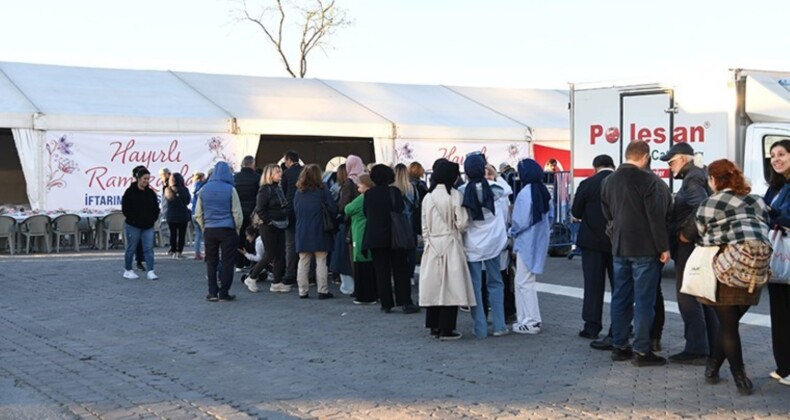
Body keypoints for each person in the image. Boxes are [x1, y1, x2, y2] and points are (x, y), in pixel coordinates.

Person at [696, 159, 772, 395]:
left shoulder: (710, 202)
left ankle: (740, 377)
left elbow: (701, 232)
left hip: (726, 268)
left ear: (714, 180)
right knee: (730, 322)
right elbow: (765, 223)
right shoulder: (756, 199)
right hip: (754, 270)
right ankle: (712, 367)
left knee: (728, 326)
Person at [601, 141, 672, 366]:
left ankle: (619, 345)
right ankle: (642, 351)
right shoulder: (649, 180)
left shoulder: (608, 181)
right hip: (645, 248)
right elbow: (656, 217)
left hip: (620, 246)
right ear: (645, 157)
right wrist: (663, 247)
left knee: (620, 297)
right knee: (644, 300)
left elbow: (608, 213)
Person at [659, 143, 718, 365]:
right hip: (696, 245)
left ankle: (696, 348)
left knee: (688, 295)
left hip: (689, 246)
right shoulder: (697, 175)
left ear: (683, 159)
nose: (669, 166)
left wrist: (686, 234)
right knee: (701, 294)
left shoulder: (692, 179)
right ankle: (711, 345)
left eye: (671, 161)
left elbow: (703, 208)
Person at [419, 159, 476, 340]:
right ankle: (447, 327)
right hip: (450, 243)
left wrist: (430, 241)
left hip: (432, 246)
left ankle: (433, 325)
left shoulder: (427, 197)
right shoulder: (454, 195)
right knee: (451, 287)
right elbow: (462, 223)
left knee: (434, 286)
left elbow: (424, 226)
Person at [458, 153, 509, 338]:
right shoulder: (495, 188)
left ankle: (479, 327)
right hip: (493, 242)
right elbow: (507, 189)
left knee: (475, 287)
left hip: (472, 243)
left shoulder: (462, 192)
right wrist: (496, 173)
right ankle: (499, 325)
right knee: (496, 283)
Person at [363, 164, 420, 314]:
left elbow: (366, 212)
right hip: (395, 235)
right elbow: (400, 210)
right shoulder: (394, 192)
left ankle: (386, 303)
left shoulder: (369, 194)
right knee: (400, 269)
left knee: (381, 271)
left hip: (376, 236)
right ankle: (405, 301)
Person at [572, 154, 615, 340]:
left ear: (594, 167)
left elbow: (576, 211)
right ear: (613, 166)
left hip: (591, 242)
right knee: (620, 286)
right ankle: (620, 326)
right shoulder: (619, 183)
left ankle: (591, 326)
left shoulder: (587, 184)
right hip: (617, 242)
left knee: (593, 285)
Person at [510, 158, 553, 335]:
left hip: (525, 241)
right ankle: (526, 319)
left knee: (523, 282)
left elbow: (520, 220)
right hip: (539, 241)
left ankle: (530, 320)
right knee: (527, 280)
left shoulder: (525, 193)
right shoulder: (544, 192)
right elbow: (550, 218)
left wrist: (510, 232)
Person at [195, 161, 243, 302]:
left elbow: (198, 213)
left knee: (211, 261)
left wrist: (204, 227)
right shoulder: (230, 189)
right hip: (227, 230)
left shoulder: (203, 189)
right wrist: (236, 229)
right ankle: (224, 292)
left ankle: (212, 292)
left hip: (210, 229)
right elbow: (237, 213)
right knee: (227, 262)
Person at [764, 139, 790, 386]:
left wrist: (773, 215)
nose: (776, 159)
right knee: (779, 315)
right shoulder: (775, 187)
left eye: (781, 154)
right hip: (777, 258)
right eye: (773, 155)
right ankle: (784, 366)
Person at [294, 164, 337, 299]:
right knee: (321, 260)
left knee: (303, 261)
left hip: (302, 229)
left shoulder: (299, 191)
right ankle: (322, 290)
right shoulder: (322, 190)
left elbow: (295, 210)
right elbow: (333, 208)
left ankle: (302, 290)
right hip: (320, 229)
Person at [485, 163, 516, 322]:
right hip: (500, 240)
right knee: (502, 278)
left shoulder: (470, 191)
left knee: (484, 282)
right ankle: (507, 313)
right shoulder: (502, 195)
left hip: (482, 244)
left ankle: (482, 318)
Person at [254, 164, 290, 293]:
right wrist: (268, 221)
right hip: (269, 226)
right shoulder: (265, 189)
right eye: (277, 172)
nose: (280, 174)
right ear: (270, 175)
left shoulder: (277, 188)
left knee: (280, 254)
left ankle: (277, 282)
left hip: (280, 223)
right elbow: (260, 208)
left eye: (280, 172)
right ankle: (252, 276)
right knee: (270, 254)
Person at [331, 156, 364, 295]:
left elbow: (343, 206)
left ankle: (350, 286)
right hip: (362, 221)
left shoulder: (349, 182)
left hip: (348, 223)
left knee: (346, 255)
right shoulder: (363, 180)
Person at [121, 166, 160, 281]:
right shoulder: (129, 192)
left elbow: (155, 208)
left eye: (148, 179)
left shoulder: (150, 193)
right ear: (138, 178)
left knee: (148, 248)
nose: (146, 181)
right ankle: (128, 269)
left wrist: (152, 219)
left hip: (148, 225)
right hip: (133, 225)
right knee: (131, 248)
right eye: (144, 179)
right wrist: (133, 219)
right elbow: (125, 208)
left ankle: (151, 270)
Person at [345, 173, 377, 304]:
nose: (358, 184)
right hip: (371, 233)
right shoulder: (374, 197)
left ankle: (363, 295)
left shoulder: (362, 198)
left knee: (360, 262)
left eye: (361, 183)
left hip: (359, 232)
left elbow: (348, 209)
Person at [395, 163, 420, 285]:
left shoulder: (393, 189)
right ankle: (410, 276)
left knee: (397, 252)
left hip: (396, 224)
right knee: (411, 250)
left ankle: (399, 276)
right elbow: (416, 204)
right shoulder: (412, 188)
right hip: (410, 223)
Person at [281, 150, 303, 286]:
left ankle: (290, 273)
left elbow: (282, 193)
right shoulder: (305, 171)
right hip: (304, 211)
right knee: (304, 243)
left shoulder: (286, 173)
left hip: (290, 211)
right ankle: (307, 273)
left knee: (290, 243)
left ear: (289, 160)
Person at [234, 155, 260, 271]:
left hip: (238, 211)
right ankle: (250, 261)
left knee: (239, 237)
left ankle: (238, 263)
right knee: (253, 236)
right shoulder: (257, 178)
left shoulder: (236, 178)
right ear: (252, 164)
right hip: (252, 212)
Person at [164, 172, 191, 259]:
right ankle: (179, 251)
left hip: (171, 215)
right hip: (182, 215)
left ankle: (173, 251)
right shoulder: (185, 190)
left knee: (173, 234)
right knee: (182, 235)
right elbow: (187, 201)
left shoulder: (167, 190)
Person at [238, 226, 264, 293]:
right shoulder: (259, 240)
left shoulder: (258, 242)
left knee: (255, 262)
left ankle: (252, 275)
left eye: (248, 236)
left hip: (268, 262)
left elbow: (259, 258)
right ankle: (257, 274)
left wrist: (246, 254)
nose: (247, 238)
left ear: (253, 235)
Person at [191, 171, 206, 260]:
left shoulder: (193, 186)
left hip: (193, 212)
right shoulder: (203, 186)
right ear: (201, 178)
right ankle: (207, 252)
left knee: (197, 234)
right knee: (205, 234)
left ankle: (197, 253)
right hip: (201, 212)